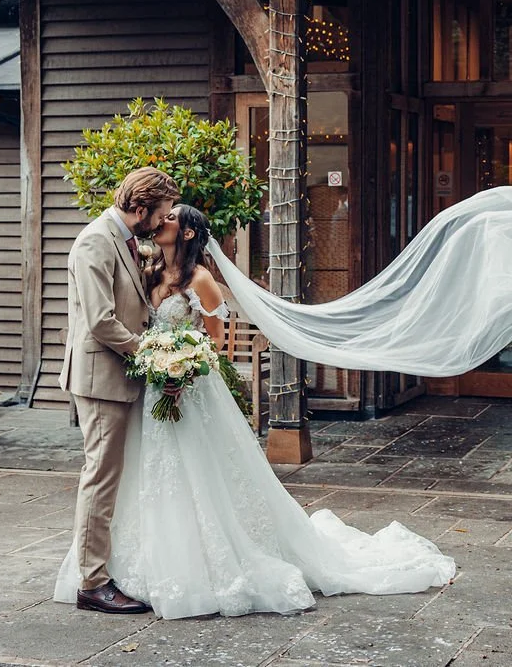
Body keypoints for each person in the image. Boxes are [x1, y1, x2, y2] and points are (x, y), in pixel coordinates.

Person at [54, 205, 456, 619]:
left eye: (170, 218)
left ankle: (205, 563)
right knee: (144, 476)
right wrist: (156, 365)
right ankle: (136, 563)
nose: (161, 223)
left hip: (187, 389)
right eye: (162, 214)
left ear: (189, 234)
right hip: (150, 389)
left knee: (195, 476)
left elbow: (212, 345)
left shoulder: (202, 280)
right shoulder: (149, 271)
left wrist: (182, 372)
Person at [58, 167, 180, 614]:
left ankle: (104, 569)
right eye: (161, 212)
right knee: (101, 478)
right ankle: (92, 584)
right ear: (141, 207)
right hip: (101, 379)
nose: (163, 220)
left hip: (118, 376)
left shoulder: (126, 238)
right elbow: (100, 319)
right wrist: (151, 355)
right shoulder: (94, 240)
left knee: (111, 477)